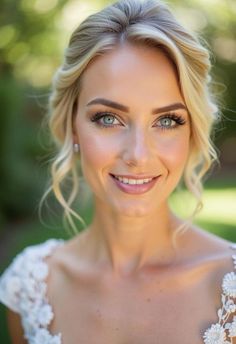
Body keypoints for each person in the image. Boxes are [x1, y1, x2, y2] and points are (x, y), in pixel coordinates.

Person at [0, 0, 235, 343]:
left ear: (192, 131)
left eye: (167, 120)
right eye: (108, 119)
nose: (138, 155)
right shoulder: (33, 286)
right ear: (73, 126)